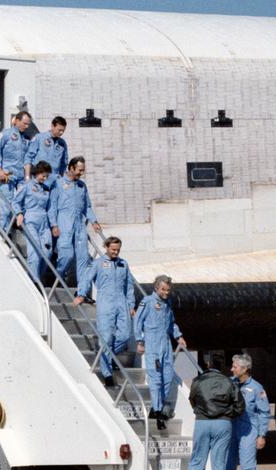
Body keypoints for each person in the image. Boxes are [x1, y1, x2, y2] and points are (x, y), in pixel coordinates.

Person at [181, 364, 244, 470]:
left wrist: (200, 412)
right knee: (219, 464)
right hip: (223, 423)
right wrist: (228, 414)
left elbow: (192, 400)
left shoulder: (197, 381)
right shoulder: (229, 382)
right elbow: (240, 406)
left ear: (207, 367)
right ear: (221, 369)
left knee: (197, 461)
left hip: (202, 423)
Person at [73, 236, 134, 386]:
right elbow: (86, 278)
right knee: (106, 338)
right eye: (113, 249)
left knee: (125, 335)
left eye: (118, 250)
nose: (116, 252)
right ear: (106, 247)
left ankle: (107, 355)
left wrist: (131, 305)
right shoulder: (98, 263)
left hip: (121, 302)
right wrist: (81, 295)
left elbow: (129, 286)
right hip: (105, 302)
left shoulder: (123, 264)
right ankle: (107, 374)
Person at [219, 353, 269, 470]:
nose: (232, 369)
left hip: (248, 430)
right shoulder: (229, 383)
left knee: (247, 467)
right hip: (230, 428)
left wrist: (262, 435)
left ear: (245, 368)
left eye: (235, 366)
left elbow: (264, 412)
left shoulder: (256, 388)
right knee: (227, 466)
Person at [134, 275, 187, 422]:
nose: (166, 292)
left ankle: (156, 406)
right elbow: (138, 322)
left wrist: (178, 336)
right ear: (156, 288)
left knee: (168, 377)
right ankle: (158, 410)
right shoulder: (147, 302)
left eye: (168, 290)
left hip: (166, 345)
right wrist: (140, 341)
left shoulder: (167, 304)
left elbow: (171, 323)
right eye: (163, 289)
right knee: (156, 378)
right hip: (153, 345)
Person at [50, 156, 102, 284]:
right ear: (71, 168)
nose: (81, 173)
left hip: (79, 224)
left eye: (83, 170)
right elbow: (52, 207)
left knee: (83, 257)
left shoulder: (81, 186)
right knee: (66, 254)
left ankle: (82, 290)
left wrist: (94, 221)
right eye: (79, 170)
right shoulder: (58, 184)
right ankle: (58, 278)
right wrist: (54, 224)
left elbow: (87, 207)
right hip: (64, 222)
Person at [15, 161, 55, 281]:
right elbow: (16, 201)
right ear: (37, 172)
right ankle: (33, 281)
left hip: (44, 223)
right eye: (43, 175)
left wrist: (53, 225)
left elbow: (50, 209)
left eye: (47, 176)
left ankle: (39, 279)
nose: (45, 178)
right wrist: (19, 213)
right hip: (31, 220)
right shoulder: (27, 186)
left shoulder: (46, 189)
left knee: (47, 252)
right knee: (35, 251)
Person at [0, 111, 32, 230]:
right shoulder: (5, 134)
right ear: (17, 121)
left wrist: (27, 177)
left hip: (21, 177)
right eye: (25, 123)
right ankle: (5, 232)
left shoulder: (26, 139)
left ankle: (20, 229)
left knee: (24, 203)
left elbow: (28, 158)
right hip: (7, 176)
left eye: (28, 124)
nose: (27, 126)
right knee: (6, 206)